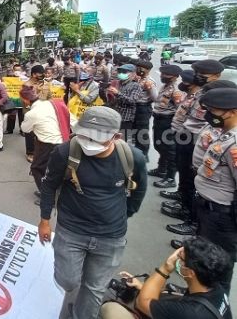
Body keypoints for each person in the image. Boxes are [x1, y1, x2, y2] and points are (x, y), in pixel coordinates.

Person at [38, 106, 147, 319]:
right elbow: (49, 185)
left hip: (111, 237)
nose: (89, 142)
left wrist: (125, 215)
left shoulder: (132, 157)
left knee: (94, 288)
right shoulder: (65, 152)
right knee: (68, 281)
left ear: (115, 137)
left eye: (97, 139)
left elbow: (139, 189)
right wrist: (44, 220)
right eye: (84, 135)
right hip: (71, 231)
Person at [163, 60, 226, 238]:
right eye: (197, 73)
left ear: (216, 76)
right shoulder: (200, 93)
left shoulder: (217, 97)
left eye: (202, 74)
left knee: (194, 182)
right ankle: (184, 205)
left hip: (197, 140)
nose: (197, 76)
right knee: (185, 174)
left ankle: (191, 220)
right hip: (188, 137)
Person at [101, 237, 232, 319]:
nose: (177, 259)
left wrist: (166, 267)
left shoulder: (189, 312)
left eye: (180, 259)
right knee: (165, 293)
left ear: (191, 272)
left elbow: (142, 303)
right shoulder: (216, 288)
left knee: (111, 309)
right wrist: (142, 286)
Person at [191, 87, 237, 292]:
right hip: (209, 210)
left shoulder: (235, 143)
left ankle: (216, 305)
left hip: (221, 216)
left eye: (214, 111)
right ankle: (199, 297)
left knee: (218, 268)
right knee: (204, 262)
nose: (209, 115)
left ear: (232, 111)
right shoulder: (224, 135)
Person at [21, 73, 73, 202]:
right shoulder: (53, 103)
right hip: (64, 141)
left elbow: (25, 129)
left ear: (26, 100)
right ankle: (54, 193)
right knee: (54, 170)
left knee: (37, 168)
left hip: (46, 144)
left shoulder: (32, 113)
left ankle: (47, 196)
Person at [150, 65, 184, 189]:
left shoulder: (176, 90)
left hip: (168, 121)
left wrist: (174, 125)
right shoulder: (166, 86)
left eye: (165, 74)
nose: (162, 76)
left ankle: (170, 178)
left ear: (174, 76)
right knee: (159, 146)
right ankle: (161, 169)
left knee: (169, 150)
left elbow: (179, 109)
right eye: (162, 74)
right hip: (159, 120)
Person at [108, 64, 141, 144]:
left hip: (125, 119)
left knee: (121, 143)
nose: (121, 73)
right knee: (111, 141)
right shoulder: (119, 83)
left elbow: (132, 101)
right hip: (115, 117)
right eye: (120, 71)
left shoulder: (135, 86)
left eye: (124, 72)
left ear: (133, 74)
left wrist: (117, 93)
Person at [133, 60, 157, 159]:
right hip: (135, 106)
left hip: (143, 108)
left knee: (142, 132)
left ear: (148, 70)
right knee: (135, 131)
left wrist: (149, 89)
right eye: (137, 67)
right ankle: (137, 152)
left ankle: (143, 155)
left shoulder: (149, 81)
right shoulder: (138, 79)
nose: (138, 69)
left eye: (141, 68)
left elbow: (155, 97)